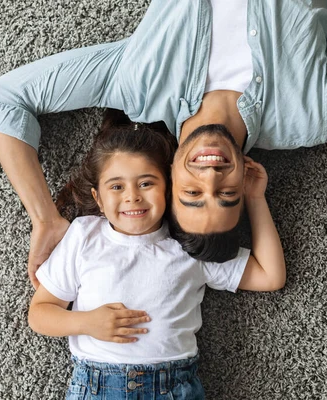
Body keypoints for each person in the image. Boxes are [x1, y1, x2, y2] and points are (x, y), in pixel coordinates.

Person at [0, 0, 327, 286]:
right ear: (248, 178)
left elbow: (5, 98)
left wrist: (45, 219)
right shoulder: (317, 114)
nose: (211, 174)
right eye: (226, 193)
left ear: (165, 176)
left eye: (192, 193)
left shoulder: (137, 83)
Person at [28, 112, 285, 399]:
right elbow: (40, 313)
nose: (132, 196)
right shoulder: (84, 235)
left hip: (173, 387)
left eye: (146, 183)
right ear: (98, 198)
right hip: (97, 384)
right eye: (116, 187)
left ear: (170, 188)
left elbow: (270, 276)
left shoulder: (189, 239)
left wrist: (255, 199)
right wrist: (86, 323)